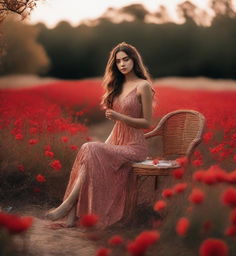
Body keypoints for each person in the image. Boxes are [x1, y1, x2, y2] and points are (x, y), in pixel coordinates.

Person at [45, 42, 155, 229]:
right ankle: (70, 216)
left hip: (134, 146)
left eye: (126, 59)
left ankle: (67, 207)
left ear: (134, 60)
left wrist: (120, 116)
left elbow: (147, 123)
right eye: (118, 61)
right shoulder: (118, 86)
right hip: (118, 142)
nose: (122, 64)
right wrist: (107, 144)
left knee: (90, 148)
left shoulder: (143, 86)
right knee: (89, 152)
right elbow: (117, 127)